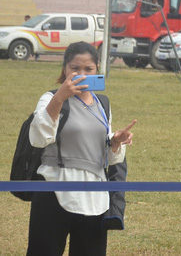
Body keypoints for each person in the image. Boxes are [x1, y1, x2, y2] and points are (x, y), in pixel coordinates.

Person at [27, 41, 136, 256]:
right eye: (75, 68)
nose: (81, 74)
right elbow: (39, 138)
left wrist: (115, 141)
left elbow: (105, 157)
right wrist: (60, 97)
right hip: (53, 189)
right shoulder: (49, 98)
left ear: (97, 69)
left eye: (88, 69)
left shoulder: (102, 103)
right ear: (65, 69)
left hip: (94, 196)